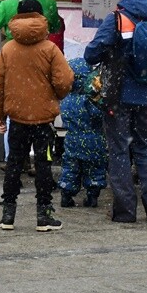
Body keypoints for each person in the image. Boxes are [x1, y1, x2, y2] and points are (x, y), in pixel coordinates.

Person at [84, 0, 147, 224]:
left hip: (118, 96)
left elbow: (91, 54)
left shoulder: (117, 19)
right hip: (146, 95)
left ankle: (125, 211)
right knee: (144, 149)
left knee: (119, 151)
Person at [0, 0, 73, 231]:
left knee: (14, 163)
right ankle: (44, 215)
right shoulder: (49, 49)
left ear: (17, 18)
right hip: (43, 119)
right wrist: (55, 96)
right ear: (40, 18)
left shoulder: (8, 48)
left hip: (16, 118)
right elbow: (65, 80)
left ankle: (8, 214)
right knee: (44, 164)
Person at [57, 58, 109, 208]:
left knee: (70, 169)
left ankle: (66, 194)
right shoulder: (91, 99)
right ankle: (92, 196)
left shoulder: (67, 100)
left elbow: (65, 118)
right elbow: (98, 115)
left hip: (72, 141)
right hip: (94, 140)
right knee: (95, 168)